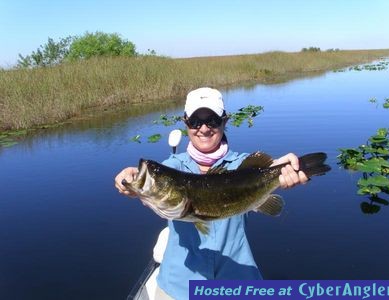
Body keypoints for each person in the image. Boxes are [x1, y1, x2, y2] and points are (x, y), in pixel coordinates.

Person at [115, 87, 308, 299]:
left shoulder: (242, 166)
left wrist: (284, 168)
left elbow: (265, 170)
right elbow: (155, 192)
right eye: (195, 121)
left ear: (224, 121)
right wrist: (130, 180)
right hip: (180, 286)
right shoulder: (173, 166)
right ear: (185, 123)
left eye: (212, 120)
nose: (204, 128)